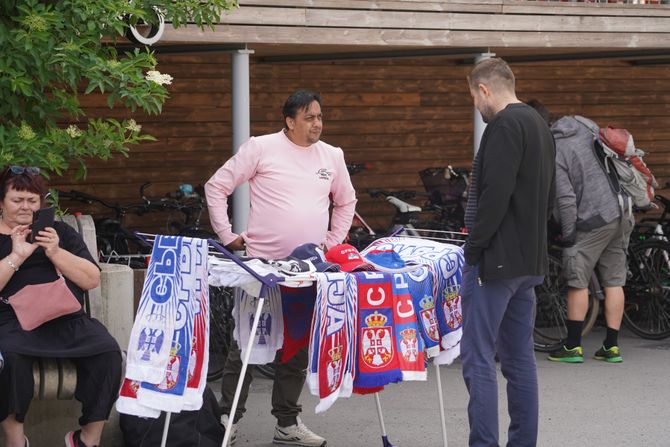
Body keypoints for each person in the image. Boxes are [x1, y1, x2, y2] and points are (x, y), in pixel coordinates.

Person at [205, 89, 357, 446]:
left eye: (320, 117)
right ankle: (228, 420)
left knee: (296, 346)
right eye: (309, 117)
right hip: (262, 267)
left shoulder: (332, 156)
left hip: (308, 268)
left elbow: (347, 200)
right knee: (245, 345)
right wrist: (227, 236)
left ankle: (286, 424)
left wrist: (332, 244)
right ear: (289, 121)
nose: (317, 123)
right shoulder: (261, 147)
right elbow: (216, 186)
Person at [460, 58, 555, 447]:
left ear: (484, 89)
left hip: (495, 263)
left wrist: (473, 248)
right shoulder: (539, 124)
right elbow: (548, 196)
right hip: (529, 262)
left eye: (473, 96)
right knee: (519, 362)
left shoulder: (502, 126)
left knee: (477, 358)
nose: (476, 107)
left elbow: (493, 197)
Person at [0, 166, 122, 447]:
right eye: (17, 200)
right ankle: (15, 440)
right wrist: (16, 256)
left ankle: (87, 440)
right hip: (12, 322)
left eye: (33, 200)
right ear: (2, 201)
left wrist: (55, 251)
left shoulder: (58, 233)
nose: (25, 207)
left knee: (107, 352)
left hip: (64, 317)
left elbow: (91, 279)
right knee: (10, 359)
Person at [547, 114, 634, 364]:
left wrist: (569, 234)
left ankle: (573, 346)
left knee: (578, 280)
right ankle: (611, 346)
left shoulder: (559, 149)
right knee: (614, 280)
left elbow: (565, 198)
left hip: (594, 219)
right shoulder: (590, 130)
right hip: (622, 210)